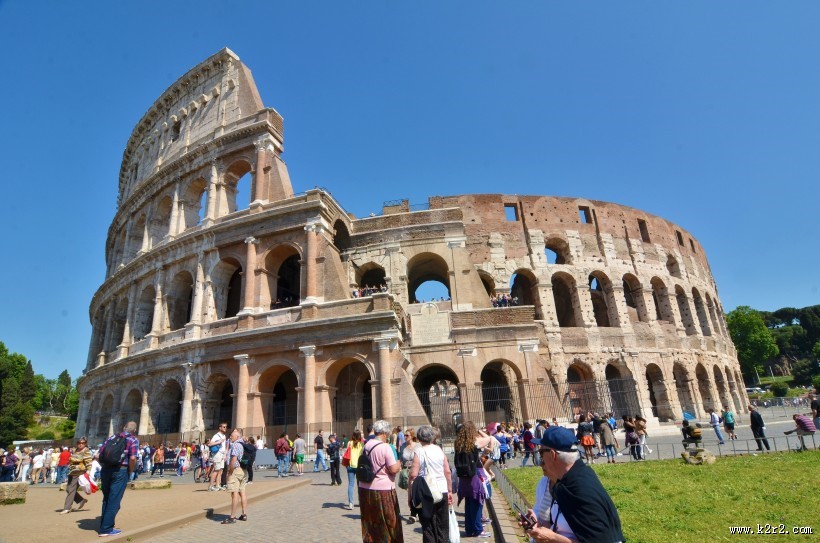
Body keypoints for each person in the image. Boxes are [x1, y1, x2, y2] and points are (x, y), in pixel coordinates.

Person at [523, 426, 625, 543]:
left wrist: (552, 538)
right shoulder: (566, 481)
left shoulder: (580, 489)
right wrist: (537, 524)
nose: (541, 460)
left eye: (541, 453)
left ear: (552, 454)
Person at [358, 419, 403, 543]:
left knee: (370, 520)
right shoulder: (385, 447)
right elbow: (393, 469)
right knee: (388, 521)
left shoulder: (366, 445)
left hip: (365, 489)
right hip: (383, 490)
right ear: (384, 433)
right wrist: (399, 463)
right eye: (387, 433)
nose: (388, 435)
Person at [408, 425, 453, 543]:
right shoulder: (439, 449)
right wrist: (449, 490)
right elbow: (447, 471)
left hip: (426, 491)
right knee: (442, 525)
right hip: (441, 489)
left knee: (428, 525)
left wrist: (410, 493)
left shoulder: (419, 451)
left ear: (419, 438)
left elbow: (413, 475)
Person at [97, 420, 139, 537]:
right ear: (134, 430)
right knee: (114, 499)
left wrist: (104, 466)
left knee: (107, 498)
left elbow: (99, 454)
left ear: (124, 427)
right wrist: (130, 470)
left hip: (106, 470)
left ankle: (104, 524)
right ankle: (106, 529)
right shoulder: (133, 439)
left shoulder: (112, 437)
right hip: (120, 470)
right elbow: (132, 458)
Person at [455, 421, 491, 539]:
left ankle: (469, 529)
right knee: (477, 503)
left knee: (469, 504)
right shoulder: (474, 443)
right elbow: (488, 438)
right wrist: (479, 430)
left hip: (463, 479)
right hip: (473, 478)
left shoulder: (458, 444)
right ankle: (477, 530)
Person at [221, 428, 248, 524]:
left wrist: (230, 471)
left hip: (236, 471)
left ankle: (232, 517)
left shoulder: (236, 445)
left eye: (232, 435)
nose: (230, 437)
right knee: (242, 492)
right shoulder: (244, 444)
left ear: (237, 436)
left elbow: (233, 460)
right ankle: (244, 514)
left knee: (234, 493)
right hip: (244, 471)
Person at [60, 437, 93, 514]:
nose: (81, 444)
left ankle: (67, 508)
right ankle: (81, 500)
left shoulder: (86, 451)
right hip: (72, 471)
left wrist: (88, 471)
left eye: (83, 443)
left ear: (85, 444)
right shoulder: (75, 450)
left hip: (79, 472)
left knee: (71, 490)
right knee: (68, 489)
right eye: (79, 443)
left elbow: (88, 461)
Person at [344, 429, 364, 510]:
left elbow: (346, 453)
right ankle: (360, 501)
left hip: (350, 466)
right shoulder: (362, 444)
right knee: (360, 485)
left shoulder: (349, 443)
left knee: (351, 485)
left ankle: (351, 503)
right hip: (359, 467)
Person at [207, 422, 228, 490]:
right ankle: (210, 486)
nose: (225, 428)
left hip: (222, 454)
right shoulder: (216, 435)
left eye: (226, 427)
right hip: (217, 454)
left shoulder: (224, 436)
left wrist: (225, 455)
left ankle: (218, 485)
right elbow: (210, 444)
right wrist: (219, 442)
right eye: (224, 427)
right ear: (220, 428)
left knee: (220, 470)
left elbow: (224, 447)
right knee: (216, 470)